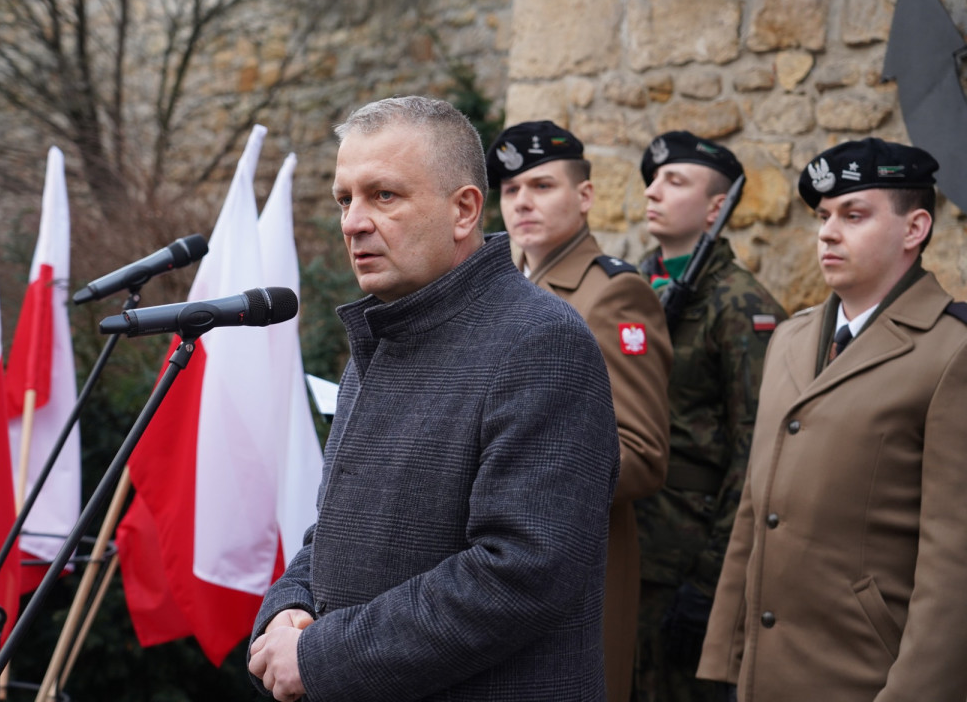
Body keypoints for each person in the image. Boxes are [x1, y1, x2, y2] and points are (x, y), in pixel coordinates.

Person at [247, 96, 620, 702]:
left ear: (465, 210)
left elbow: (519, 572)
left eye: (384, 196)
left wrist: (320, 655)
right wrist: (288, 606)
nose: (353, 221)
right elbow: (338, 530)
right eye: (346, 199)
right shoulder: (382, 338)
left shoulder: (542, 343)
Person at [697, 138, 967, 701]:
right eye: (824, 216)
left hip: (864, 676)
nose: (828, 232)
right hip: (763, 675)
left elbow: (953, 561)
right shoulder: (792, 339)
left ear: (914, 229)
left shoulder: (950, 351)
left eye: (854, 214)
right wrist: (725, 656)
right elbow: (755, 508)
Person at [488, 120, 671, 702]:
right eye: (511, 190)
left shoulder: (614, 295)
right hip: (497, 565)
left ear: (585, 196)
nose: (522, 202)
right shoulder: (502, 291)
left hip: (576, 568)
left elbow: (642, 455)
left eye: (542, 186)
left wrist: (520, 468)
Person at [632, 130, 785, 702]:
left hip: (686, 556)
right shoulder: (631, 287)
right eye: (653, 179)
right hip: (624, 547)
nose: (654, 191)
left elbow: (758, 449)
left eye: (675, 181)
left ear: (716, 207)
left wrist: (712, 578)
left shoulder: (740, 303)